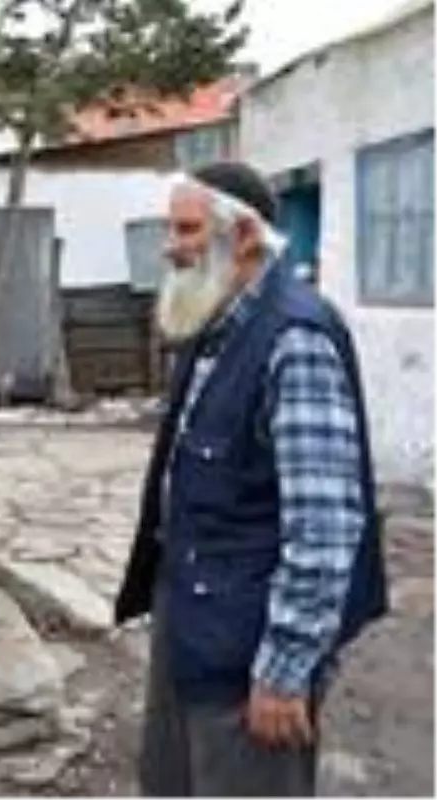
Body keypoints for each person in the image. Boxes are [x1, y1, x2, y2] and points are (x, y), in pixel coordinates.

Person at [114, 161, 388, 800]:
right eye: (170, 227)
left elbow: (323, 531)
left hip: (248, 658)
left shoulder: (295, 341)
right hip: (193, 628)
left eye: (185, 229)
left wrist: (284, 674)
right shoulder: (213, 324)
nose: (169, 245)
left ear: (242, 239)